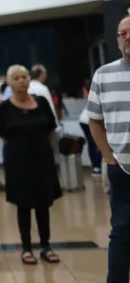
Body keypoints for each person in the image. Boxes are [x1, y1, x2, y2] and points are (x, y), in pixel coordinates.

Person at [0, 65, 61, 265]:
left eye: (24, 77)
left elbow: (51, 129)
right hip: (18, 162)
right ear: (10, 83)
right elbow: (2, 133)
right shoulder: (5, 108)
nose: (22, 80)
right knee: (23, 205)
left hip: (42, 159)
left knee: (43, 203)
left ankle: (45, 246)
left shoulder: (41, 102)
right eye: (17, 78)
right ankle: (26, 248)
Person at [88, 15, 130, 283]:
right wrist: (108, 158)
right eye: (121, 33)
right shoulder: (104, 75)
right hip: (121, 168)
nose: (126, 37)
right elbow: (94, 119)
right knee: (122, 231)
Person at [79, 105, 103, 177]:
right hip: (91, 121)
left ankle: (96, 168)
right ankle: (98, 168)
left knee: (91, 143)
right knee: (101, 143)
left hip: (83, 120)